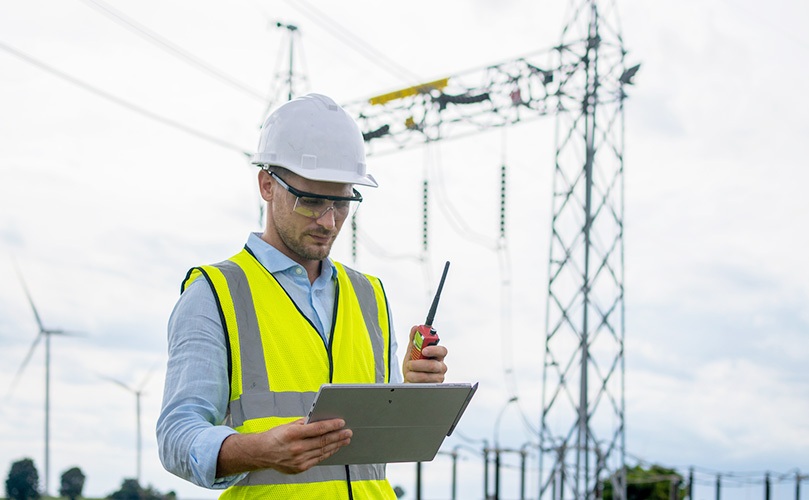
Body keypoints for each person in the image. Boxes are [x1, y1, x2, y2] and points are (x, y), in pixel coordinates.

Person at [156, 93, 448, 500]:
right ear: (266, 185)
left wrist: (411, 393)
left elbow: (375, 440)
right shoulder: (215, 293)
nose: (329, 221)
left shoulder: (370, 297)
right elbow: (176, 437)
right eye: (310, 201)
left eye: (342, 203)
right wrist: (257, 451)